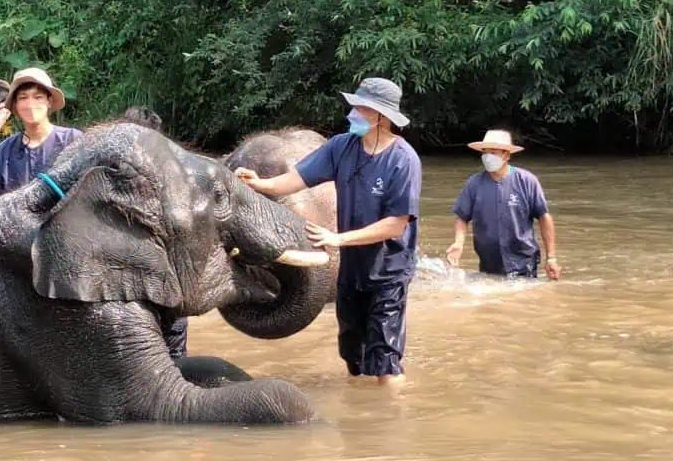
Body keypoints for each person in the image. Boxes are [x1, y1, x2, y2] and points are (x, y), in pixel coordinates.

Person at [235, 78, 422, 385]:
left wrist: (338, 239)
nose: (354, 113)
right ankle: (360, 421)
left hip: (389, 271)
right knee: (353, 357)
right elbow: (296, 179)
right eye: (355, 106)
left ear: (381, 116)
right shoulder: (341, 147)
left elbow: (396, 224)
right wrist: (260, 184)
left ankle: (390, 423)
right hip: (351, 269)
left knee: (385, 362)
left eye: (362, 108)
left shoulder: (403, 160)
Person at [0, 67, 83, 215]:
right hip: (20, 229)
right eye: (23, 98)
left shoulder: (72, 139)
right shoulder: (7, 149)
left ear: (49, 101)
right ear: (15, 106)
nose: (30, 104)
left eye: (38, 97)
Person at [119, 105, 189, 359]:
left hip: (134, 284)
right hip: (168, 280)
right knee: (174, 357)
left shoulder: (114, 170)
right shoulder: (177, 170)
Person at [446, 129, 561, 280]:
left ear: (507, 155)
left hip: (523, 264)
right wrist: (458, 243)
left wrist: (551, 258)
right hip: (488, 265)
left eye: (493, 152)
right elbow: (462, 217)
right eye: (485, 152)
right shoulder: (474, 183)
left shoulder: (526, 181)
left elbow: (544, 218)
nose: (488, 157)